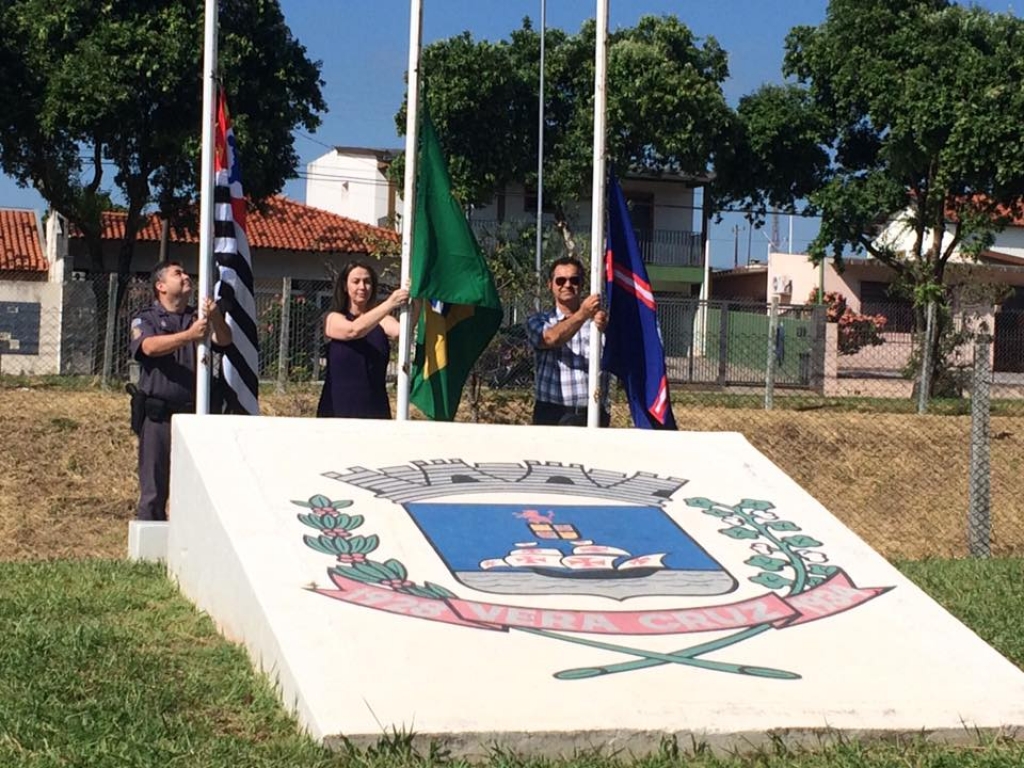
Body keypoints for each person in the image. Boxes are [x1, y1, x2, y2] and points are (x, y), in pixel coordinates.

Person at [129, 260, 231, 521]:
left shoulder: (198, 318)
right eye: (178, 273)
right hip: (158, 417)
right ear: (160, 286)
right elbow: (149, 347)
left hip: (195, 416)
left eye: (186, 272)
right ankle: (150, 551)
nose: (186, 276)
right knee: (154, 488)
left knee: (194, 488)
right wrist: (188, 336)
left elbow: (224, 339)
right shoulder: (147, 318)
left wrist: (215, 315)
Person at [316, 261, 409, 419]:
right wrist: (390, 303)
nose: (362, 287)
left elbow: (404, 332)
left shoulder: (382, 320)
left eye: (367, 282)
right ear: (345, 286)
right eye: (356, 281)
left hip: (375, 410)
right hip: (337, 411)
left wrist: (418, 298)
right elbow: (353, 330)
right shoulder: (331, 318)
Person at [526, 256, 609, 426]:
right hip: (552, 415)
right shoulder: (538, 321)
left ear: (582, 283)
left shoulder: (598, 324)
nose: (567, 285)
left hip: (593, 414)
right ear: (550, 285)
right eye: (560, 280)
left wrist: (608, 329)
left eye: (574, 280)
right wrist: (582, 314)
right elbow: (550, 338)